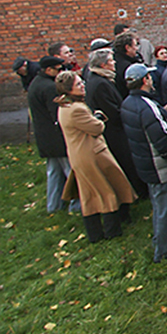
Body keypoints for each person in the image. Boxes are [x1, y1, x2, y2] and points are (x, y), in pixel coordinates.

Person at [55, 71, 135, 243]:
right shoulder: (76, 109)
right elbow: (97, 128)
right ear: (69, 90)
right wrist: (98, 117)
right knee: (105, 191)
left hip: (80, 154)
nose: (82, 85)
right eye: (78, 84)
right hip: (91, 154)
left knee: (89, 194)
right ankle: (112, 231)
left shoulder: (65, 106)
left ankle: (96, 234)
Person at [121, 63, 167, 263]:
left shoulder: (128, 103)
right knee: (166, 208)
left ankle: (161, 241)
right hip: (161, 167)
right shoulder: (148, 108)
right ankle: (164, 251)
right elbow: (163, 141)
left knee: (159, 205)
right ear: (145, 81)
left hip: (146, 163)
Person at [84, 47, 146, 201]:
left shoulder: (102, 79)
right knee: (126, 160)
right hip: (114, 131)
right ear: (103, 65)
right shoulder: (100, 84)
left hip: (114, 129)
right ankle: (135, 193)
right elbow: (111, 111)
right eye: (111, 61)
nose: (114, 63)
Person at [28, 56, 78, 214]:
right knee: (72, 173)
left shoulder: (35, 83)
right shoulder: (50, 88)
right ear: (49, 70)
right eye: (59, 69)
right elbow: (58, 114)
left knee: (54, 174)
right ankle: (76, 206)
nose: (62, 72)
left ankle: (54, 206)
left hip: (45, 139)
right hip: (57, 139)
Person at [113, 32, 143, 99]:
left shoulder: (115, 59)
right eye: (135, 45)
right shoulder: (126, 67)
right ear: (128, 48)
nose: (137, 49)